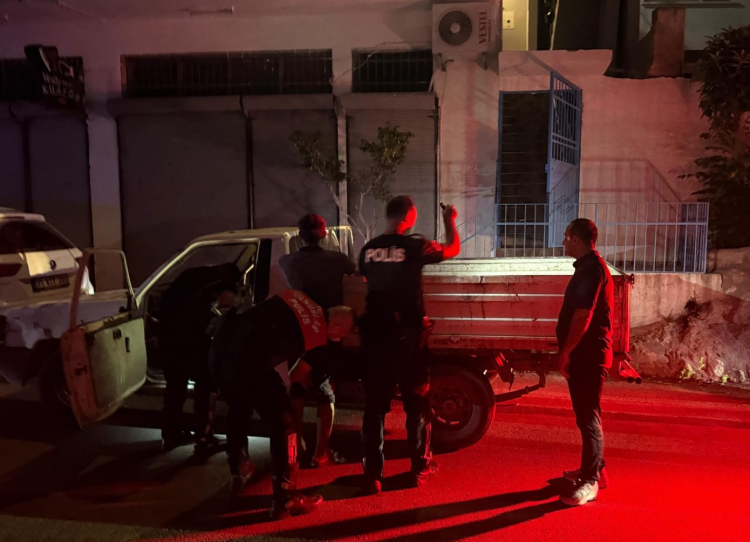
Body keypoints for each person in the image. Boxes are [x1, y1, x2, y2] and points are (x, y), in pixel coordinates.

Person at [208, 289, 356, 519]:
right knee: (286, 426)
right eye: (343, 335)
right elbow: (297, 375)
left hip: (220, 350)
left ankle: (239, 468)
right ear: (336, 330)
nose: (340, 339)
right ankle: (286, 499)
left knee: (238, 408)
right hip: (250, 364)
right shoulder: (318, 335)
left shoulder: (299, 296)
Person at [358, 196, 460, 494]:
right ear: (410, 216)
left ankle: (372, 475)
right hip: (409, 338)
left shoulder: (368, 249)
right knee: (417, 405)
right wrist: (449, 220)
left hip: (375, 336)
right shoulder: (415, 246)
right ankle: (419, 469)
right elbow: (452, 249)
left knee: (374, 408)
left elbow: (367, 280)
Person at [280, 213, 356, 467]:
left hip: (298, 330)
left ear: (300, 235)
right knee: (325, 390)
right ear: (324, 233)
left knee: (297, 389)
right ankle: (321, 453)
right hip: (326, 332)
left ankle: (298, 447)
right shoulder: (338, 260)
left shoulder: (287, 261)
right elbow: (354, 270)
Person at [556, 218, 614, 506]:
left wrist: (566, 352)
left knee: (588, 417)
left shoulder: (591, 269)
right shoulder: (590, 267)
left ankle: (590, 481)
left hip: (588, 355)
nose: (563, 241)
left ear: (577, 239)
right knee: (588, 415)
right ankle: (596, 470)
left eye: (566, 237)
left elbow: (583, 315)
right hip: (588, 354)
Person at [158, 263, 240, 454]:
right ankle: (203, 438)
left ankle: (170, 435)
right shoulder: (215, 287)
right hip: (191, 341)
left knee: (175, 388)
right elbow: (209, 314)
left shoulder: (193, 275)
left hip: (169, 338)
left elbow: (167, 304)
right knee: (204, 387)